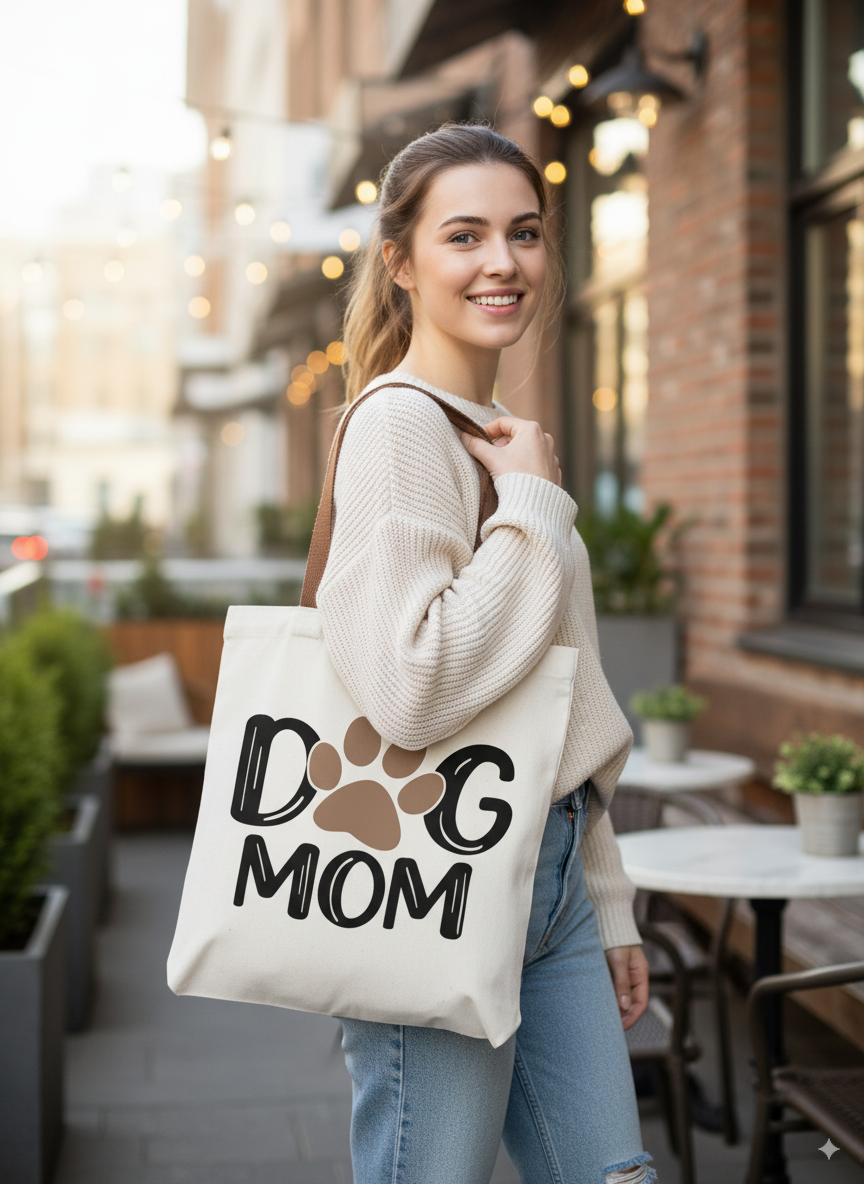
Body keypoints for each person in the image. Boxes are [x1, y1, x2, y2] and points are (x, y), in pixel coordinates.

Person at [316, 123, 654, 1184]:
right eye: (464, 235)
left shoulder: (501, 429)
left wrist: (602, 896)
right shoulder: (402, 428)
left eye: (524, 232)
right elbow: (414, 686)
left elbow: (565, 678)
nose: (502, 261)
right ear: (402, 261)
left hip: (546, 871)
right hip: (439, 872)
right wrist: (537, 504)